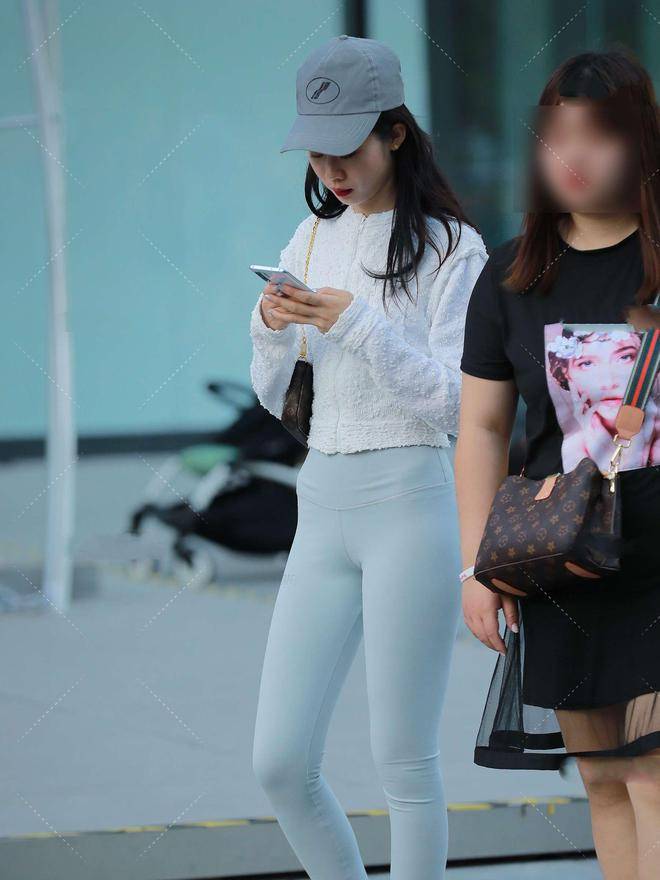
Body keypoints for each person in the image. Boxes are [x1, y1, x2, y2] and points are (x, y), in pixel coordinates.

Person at [250, 35, 487, 880]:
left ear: (394, 132)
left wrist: (357, 325)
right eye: (317, 152)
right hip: (321, 505)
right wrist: (268, 327)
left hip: (409, 504)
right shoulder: (311, 239)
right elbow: (273, 395)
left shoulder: (454, 249)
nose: (332, 169)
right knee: (279, 762)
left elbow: (460, 404)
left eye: (346, 147)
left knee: (405, 765)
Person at [455, 49, 660, 879]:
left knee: (652, 773)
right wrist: (476, 566)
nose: (574, 156)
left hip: (658, 557)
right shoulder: (512, 276)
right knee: (605, 780)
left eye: (598, 136)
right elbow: (481, 428)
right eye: (558, 135)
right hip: (564, 556)